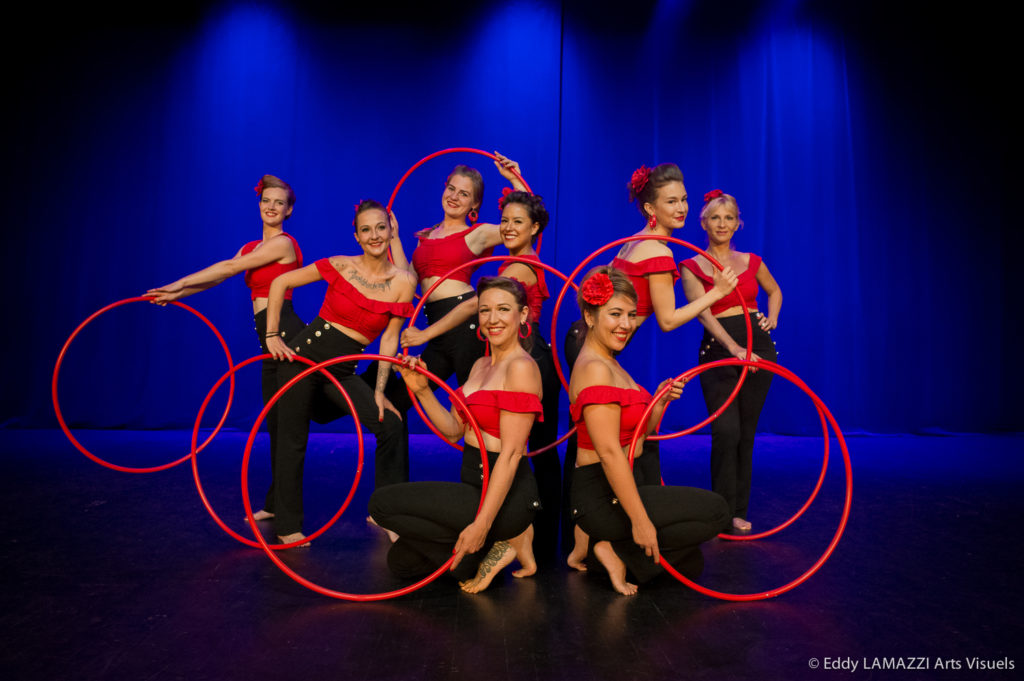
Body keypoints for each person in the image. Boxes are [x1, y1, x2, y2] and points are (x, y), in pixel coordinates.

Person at [563, 164, 737, 569]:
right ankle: (620, 528)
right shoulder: (658, 251)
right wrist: (717, 293)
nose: (681, 208)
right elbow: (669, 319)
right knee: (611, 442)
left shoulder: (636, 243)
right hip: (592, 339)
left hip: (585, 336)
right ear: (650, 208)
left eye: (684, 199)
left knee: (593, 440)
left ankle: (586, 539)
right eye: (671, 201)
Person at [146, 174, 305, 521]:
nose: (271, 207)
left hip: (286, 335)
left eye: (279, 202)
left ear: (289, 210)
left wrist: (177, 282)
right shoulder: (251, 248)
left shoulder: (284, 244)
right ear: (259, 204)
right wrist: (177, 295)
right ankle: (276, 504)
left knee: (289, 430)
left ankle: (290, 518)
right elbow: (221, 275)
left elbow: (231, 267)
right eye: (266, 200)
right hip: (267, 341)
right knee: (276, 426)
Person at [369, 277, 542, 593]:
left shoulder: (521, 368)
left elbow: (511, 454)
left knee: (380, 504)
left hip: (506, 497)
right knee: (401, 563)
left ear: (523, 315)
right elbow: (453, 431)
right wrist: (421, 390)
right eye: (485, 310)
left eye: (503, 309)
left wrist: (481, 525)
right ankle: (481, 552)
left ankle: (501, 536)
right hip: (473, 486)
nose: (492, 319)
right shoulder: (479, 365)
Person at [568, 267, 729, 595]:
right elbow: (610, 453)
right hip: (601, 494)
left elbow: (639, 434)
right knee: (717, 512)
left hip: (621, 483)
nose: (626, 325)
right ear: (589, 317)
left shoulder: (610, 362)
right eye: (615, 314)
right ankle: (616, 548)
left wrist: (658, 402)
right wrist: (640, 523)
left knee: (691, 563)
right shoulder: (595, 368)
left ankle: (611, 551)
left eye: (631, 315)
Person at [264, 200, 416, 546]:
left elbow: (389, 340)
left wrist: (379, 392)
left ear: (391, 230)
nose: (374, 235)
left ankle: (385, 513)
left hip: (343, 371)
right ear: (357, 236)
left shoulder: (404, 281)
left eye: (381, 227)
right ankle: (288, 525)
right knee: (293, 442)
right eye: (366, 230)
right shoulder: (340, 264)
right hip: (302, 362)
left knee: (390, 425)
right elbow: (280, 282)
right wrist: (273, 335)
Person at [679, 189, 782, 533]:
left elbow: (774, 291)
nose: (722, 224)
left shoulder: (751, 261)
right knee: (726, 432)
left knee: (746, 434)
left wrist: (772, 318)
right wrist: (735, 348)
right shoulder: (691, 266)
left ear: (738, 223)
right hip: (721, 350)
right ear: (703, 223)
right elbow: (704, 314)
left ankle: (738, 510)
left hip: (759, 349)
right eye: (715, 218)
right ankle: (720, 511)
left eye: (729, 218)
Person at [491, 190, 561, 562]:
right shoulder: (520, 259)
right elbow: (533, 213)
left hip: (530, 362)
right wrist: (515, 180)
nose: (507, 227)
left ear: (534, 228)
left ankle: (539, 539)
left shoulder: (520, 268)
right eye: (504, 220)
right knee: (531, 453)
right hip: (527, 360)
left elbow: (480, 305)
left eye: (517, 222)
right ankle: (538, 538)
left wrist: (427, 333)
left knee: (529, 452)